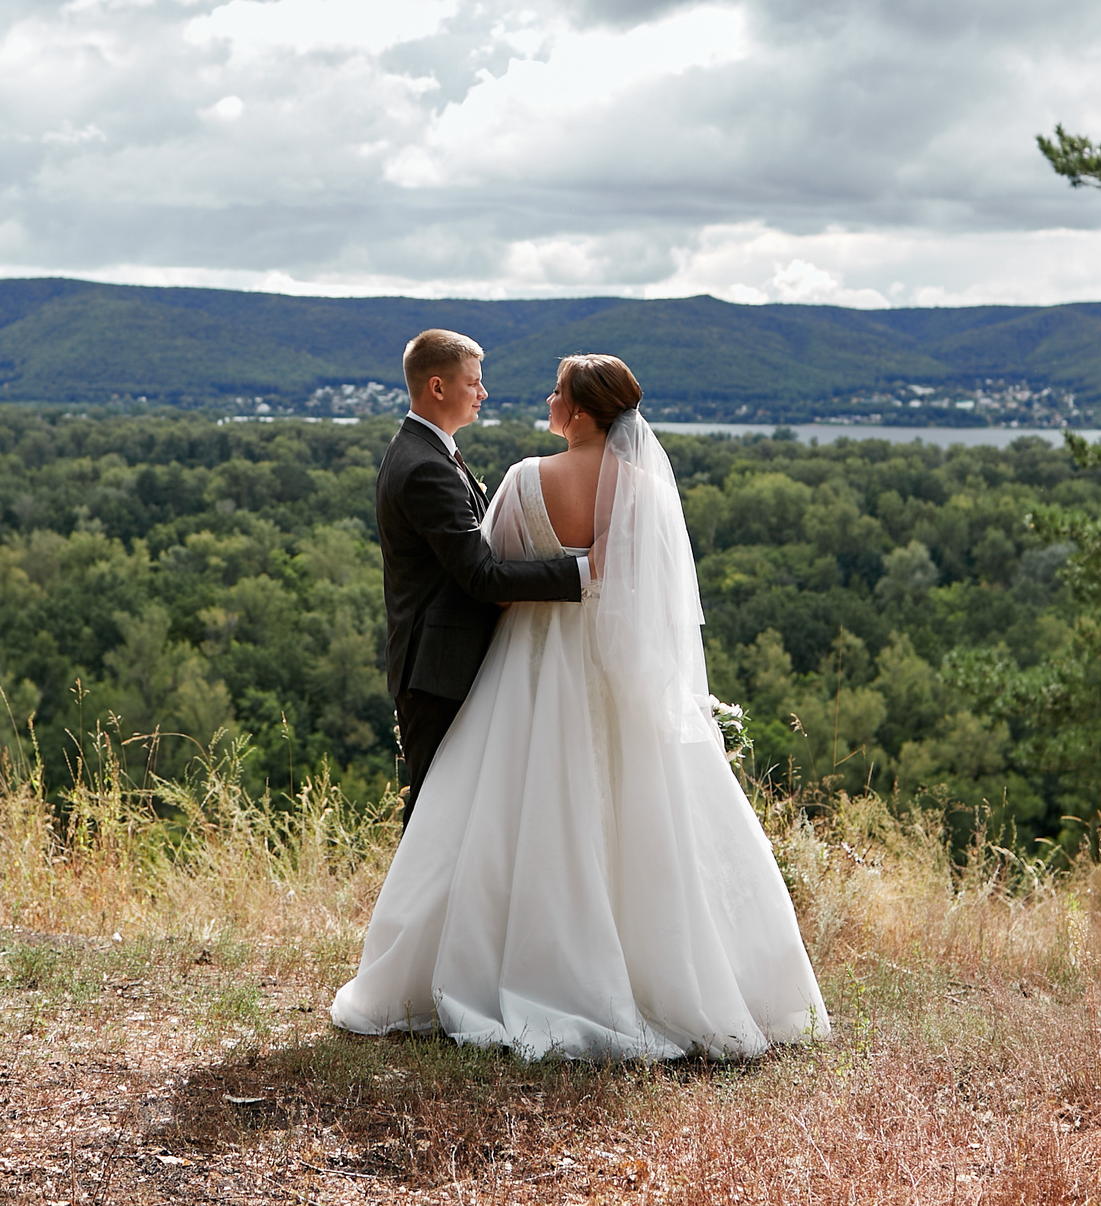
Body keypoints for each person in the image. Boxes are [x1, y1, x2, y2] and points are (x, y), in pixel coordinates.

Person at [333, 354, 827, 1061]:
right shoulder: (648, 493)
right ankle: (676, 977)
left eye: (557, 390)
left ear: (581, 410)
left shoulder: (526, 480)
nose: (546, 396)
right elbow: (656, 607)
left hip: (529, 672)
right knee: (642, 825)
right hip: (616, 674)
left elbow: (494, 583)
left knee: (502, 817)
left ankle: (500, 966)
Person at [376, 329, 586, 823]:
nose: (483, 393)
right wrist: (583, 572)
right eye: (474, 383)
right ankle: (411, 905)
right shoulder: (425, 466)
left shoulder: (425, 451)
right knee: (433, 813)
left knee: (449, 809)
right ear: (438, 387)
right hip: (437, 669)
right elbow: (482, 578)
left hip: (439, 663)